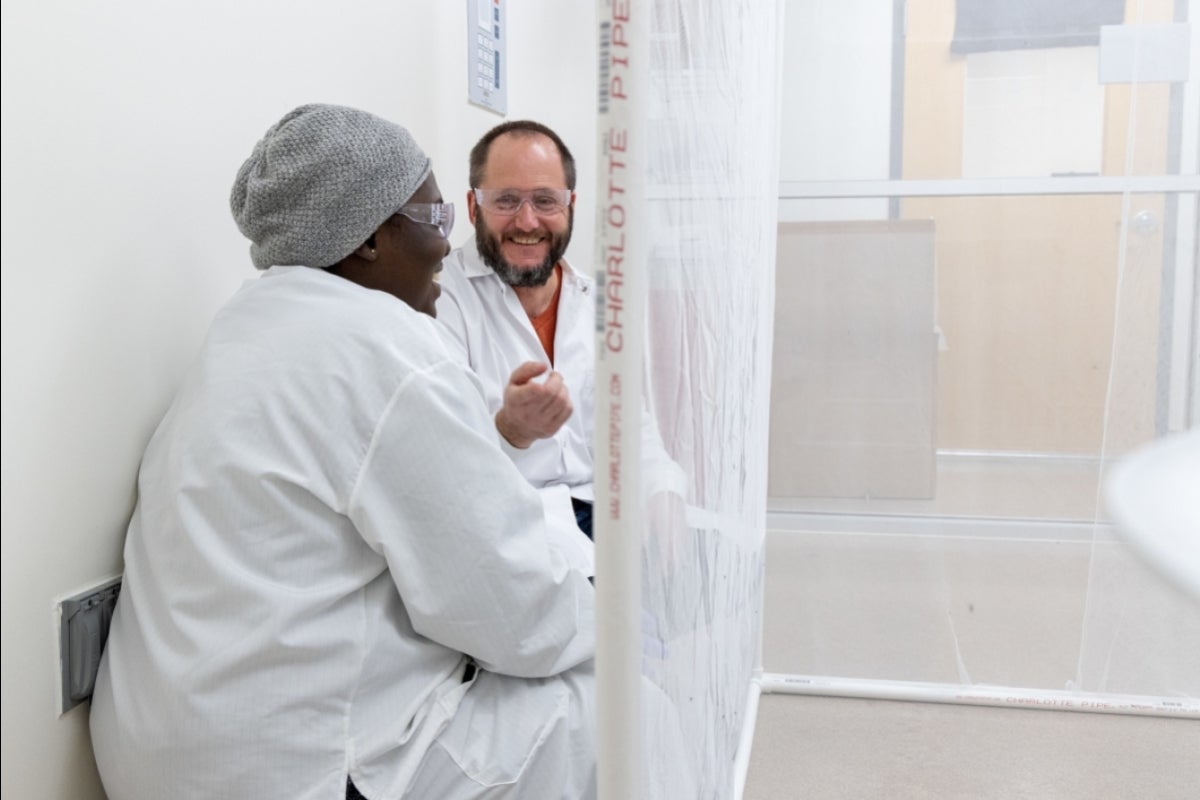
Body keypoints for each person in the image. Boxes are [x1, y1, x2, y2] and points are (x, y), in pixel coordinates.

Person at [88, 104, 599, 800]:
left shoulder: (245, 325)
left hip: (160, 759)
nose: (447, 245)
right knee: (607, 698)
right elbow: (516, 616)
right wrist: (610, 609)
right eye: (434, 221)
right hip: (302, 770)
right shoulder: (385, 348)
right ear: (367, 241)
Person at [436, 121, 686, 539]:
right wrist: (511, 431)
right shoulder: (441, 300)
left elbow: (632, 429)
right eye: (507, 200)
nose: (527, 221)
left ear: (570, 206)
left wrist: (662, 488)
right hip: (510, 528)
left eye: (546, 201)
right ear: (473, 207)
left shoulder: (597, 301)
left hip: (603, 518)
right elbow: (443, 466)